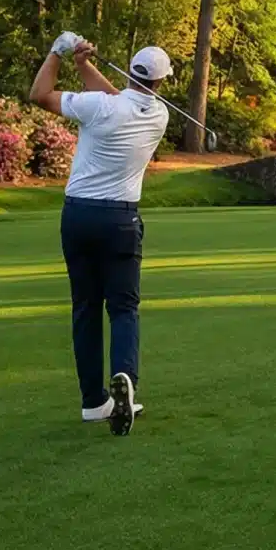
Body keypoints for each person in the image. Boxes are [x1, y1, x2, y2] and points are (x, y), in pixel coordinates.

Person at [29, 37, 173, 436]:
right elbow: (120, 98)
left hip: (77, 215)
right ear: (162, 82)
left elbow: (39, 94)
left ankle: (94, 401)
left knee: (86, 308)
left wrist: (57, 54)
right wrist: (82, 64)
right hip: (120, 222)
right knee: (123, 308)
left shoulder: (99, 108)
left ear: (130, 70)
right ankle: (125, 377)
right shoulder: (158, 114)